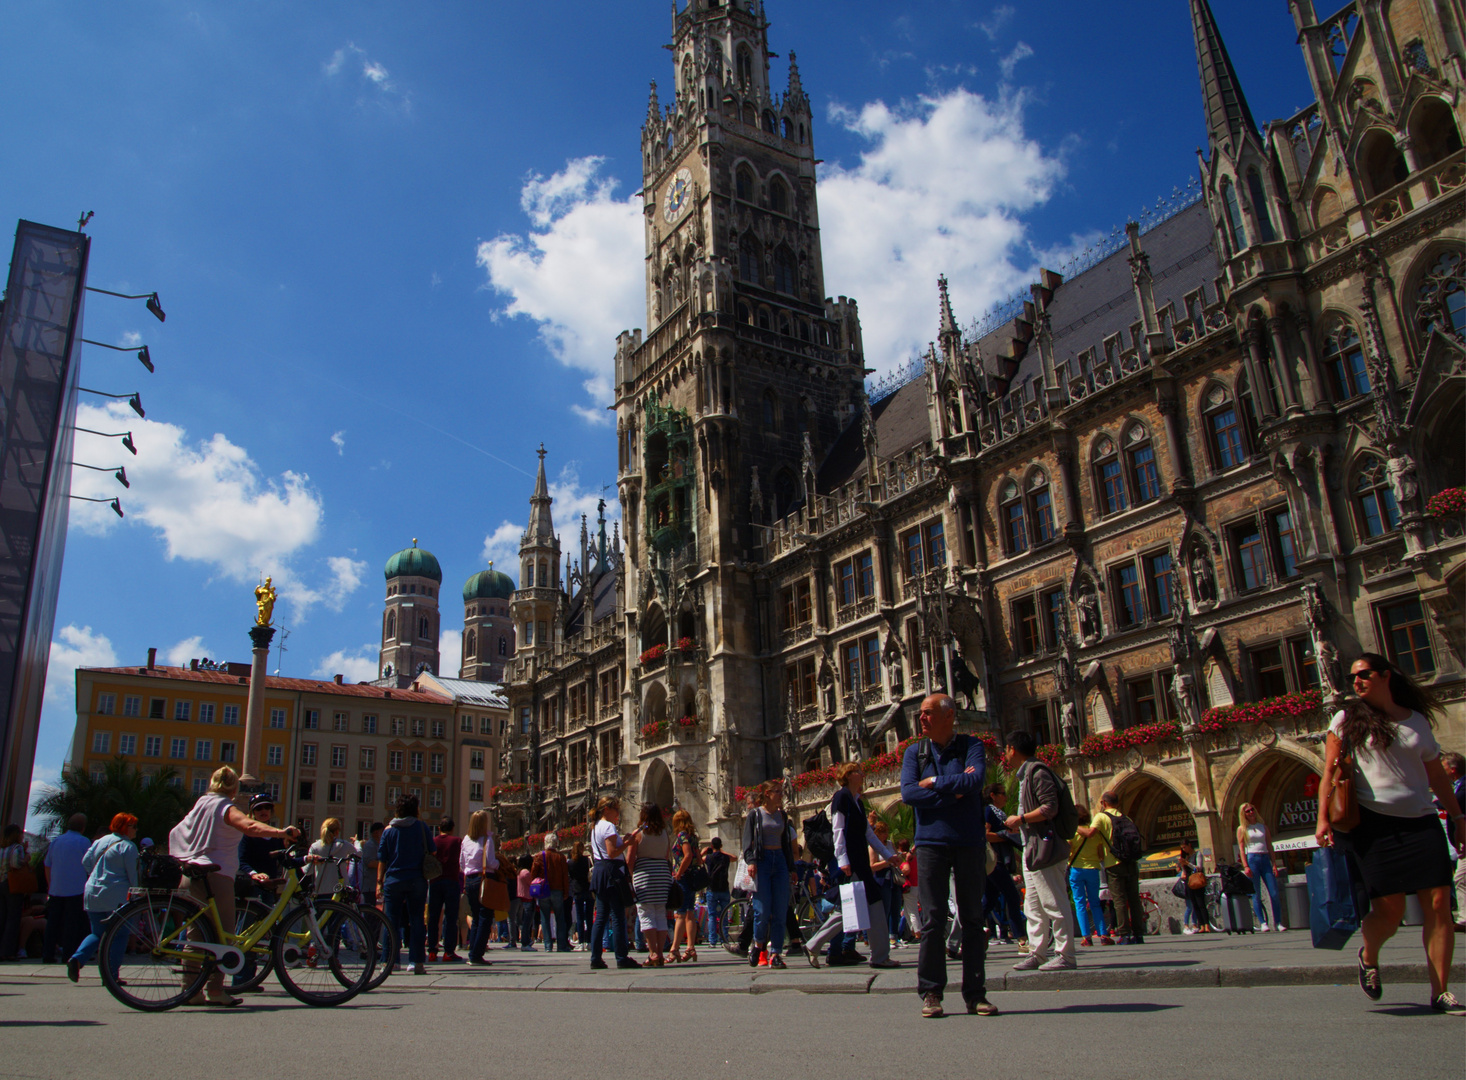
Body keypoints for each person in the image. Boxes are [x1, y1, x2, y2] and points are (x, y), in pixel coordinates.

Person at [1315, 652, 1466, 1014]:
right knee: (1389, 912)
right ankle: (1369, 955)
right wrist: (1322, 820)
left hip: (1422, 821)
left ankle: (1441, 991)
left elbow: (1436, 776)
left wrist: (1458, 817)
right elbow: (1329, 772)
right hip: (1375, 825)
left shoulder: (1416, 722)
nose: (1357, 681)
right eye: (1354, 677)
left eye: (1364, 674)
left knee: (1439, 906)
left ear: (1385, 676)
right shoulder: (1347, 718)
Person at [900, 693, 996, 1019]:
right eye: (921, 714)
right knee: (933, 920)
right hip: (930, 843)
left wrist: (937, 782)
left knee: (972, 918)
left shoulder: (972, 746)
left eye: (927, 713)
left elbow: (976, 780)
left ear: (948, 716)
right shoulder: (915, 752)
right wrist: (954, 794)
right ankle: (931, 992)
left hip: (968, 840)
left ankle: (975, 994)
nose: (921, 718)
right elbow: (909, 793)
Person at [168, 766, 298, 1004]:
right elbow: (249, 826)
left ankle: (191, 990)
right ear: (235, 788)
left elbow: (176, 831)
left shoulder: (200, 805)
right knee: (224, 935)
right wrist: (282, 832)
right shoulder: (223, 807)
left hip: (190, 872)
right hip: (215, 875)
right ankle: (215, 990)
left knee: (196, 935)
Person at [807, 763, 902, 970]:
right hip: (852, 862)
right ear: (849, 776)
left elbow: (869, 833)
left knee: (860, 907)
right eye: (858, 771)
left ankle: (878, 955)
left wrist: (889, 855)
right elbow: (838, 830)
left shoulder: (857, 802)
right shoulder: (841, 797)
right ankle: (878, 956)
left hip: (860, 862)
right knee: (853, 908)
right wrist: (842, 861)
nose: (863, 773)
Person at [1003, 731, 1076, 973]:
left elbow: (1050, 808)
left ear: (1013, 749)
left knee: (1053, 901)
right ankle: (1037, 952)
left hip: (1045, 846)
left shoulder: (1038, 771)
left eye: (1006, 749)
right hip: (1032, 846)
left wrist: (1020, 819)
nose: (1005, 753)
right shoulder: (1025, 774)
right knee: (1033, 905)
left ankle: (1065, 953)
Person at [65, 813, 139, 982]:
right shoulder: (128, 847)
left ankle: (77, 958)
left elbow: (86, 861)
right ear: (126, 828)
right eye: (134, 826)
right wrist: (137, 892)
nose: (136, 830)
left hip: (93, 892)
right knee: (119, 935)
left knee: (97, 933)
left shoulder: (100, 841)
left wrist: (96, 875)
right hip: (116, 895)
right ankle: (111, 974)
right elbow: (133, 874)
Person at [741, 779, 797, 970]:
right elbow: (747, 841)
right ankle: (758, 945)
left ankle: (776, 954)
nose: (782, 795)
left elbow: (787, 843)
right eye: (778, 792)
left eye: (781, 791)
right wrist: (751, 861)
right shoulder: (755, 815)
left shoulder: (783, 815)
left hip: (780, 860)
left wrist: (792, 868)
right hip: (762, 862)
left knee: (780, 910)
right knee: (762, 910)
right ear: (767, 794)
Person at [377, 793, 433, 975]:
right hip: (417, 879)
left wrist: (379, 882)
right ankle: (416, 961)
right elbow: (432, 851)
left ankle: (389, 961)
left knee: (391, 920)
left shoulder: (388, 830)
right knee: (416, 920)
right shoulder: (422, 827)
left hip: (393, 879)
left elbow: (382, 859)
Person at [588, 797, 640, 970]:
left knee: (601, 917)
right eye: (616, 809)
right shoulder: (608, 826)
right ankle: (621, 957)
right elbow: (612, 852)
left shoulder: (595, 826)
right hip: (611, 873)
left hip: (600, 871)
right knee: (618, 916)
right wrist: (628, 842)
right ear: (606, 810)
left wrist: (622, 840)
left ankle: (595, 958)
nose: (618, 813)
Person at [1090, 790, 1145, 944]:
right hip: (1131, 863)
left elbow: (1090, 833)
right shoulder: (1126, 817)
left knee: (1119, 900)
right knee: (1134, 899)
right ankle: (1139, 934)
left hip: (1114, 864)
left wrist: (1076, 828)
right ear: (1118, 803)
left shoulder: (1101, 817)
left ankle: (1125, 934)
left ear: (1104, 803)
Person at [628, 804, 673, 966]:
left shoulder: (639, 834)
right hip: (662, 875)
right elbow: (667, 855)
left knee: (646, 914)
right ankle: (660, 953)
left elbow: (630, 860)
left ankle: (652, 953)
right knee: (660, 913)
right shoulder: (664, 833)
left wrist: (633, 877)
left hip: (644, 876)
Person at [42, 814, 90, 964]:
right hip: (76, 889)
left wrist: (50, 884)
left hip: (56, 889)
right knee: (72, 924)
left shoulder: (57, 841)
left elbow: (47, 864)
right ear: (83, 827)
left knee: (52, 923)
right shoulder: (83, 842)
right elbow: (90, 865)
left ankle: (47, 954)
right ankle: (68, 954)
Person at [982, 784, 1026, 946]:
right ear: (993, 795)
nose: (1006, 797)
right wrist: (1006, 836)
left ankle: (968, 930)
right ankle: (1021, 937)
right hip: (994, 861)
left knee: (990, 899)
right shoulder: (989, 811)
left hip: (998, 860)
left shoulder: (999, 813)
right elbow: (985, 834)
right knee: (1012, 895)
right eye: (1003, 793)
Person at [1236, 804, 1285, 931]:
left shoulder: (1263, 827)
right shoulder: (1242, 829)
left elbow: (1269, 845)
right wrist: (1245, 865)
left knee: (1274, 893)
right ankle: (1263, 922)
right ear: (1244, 814)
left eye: (1252, 809)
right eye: (1248, 811)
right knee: (1256, 893)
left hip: (1265, 858)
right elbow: (1241, 848)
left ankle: (1278, 922)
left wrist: (1274, 863)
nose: (1251, 812)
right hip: (1252, 858)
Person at [1067, 807, 1111, 947]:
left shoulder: (1073, 833)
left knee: (1080, 903)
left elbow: (1068, 851)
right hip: (1093, 869)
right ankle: (1103, 934)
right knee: (1095, 903)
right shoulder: (1095, 834)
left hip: (1076, 870)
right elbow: (1101, 854)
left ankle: (1086, 937)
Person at [460, 810, 497, 966]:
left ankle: (472, 951)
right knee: (485, 916)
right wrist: (499, 864)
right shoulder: (487, 839)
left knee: (476, 916)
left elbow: (461, 864)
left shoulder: (466, 839)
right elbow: (490, 862)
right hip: (484, 879)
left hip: (469, 880)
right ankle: (477, 953)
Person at [426, 818, 463, 962]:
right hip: (451, 880)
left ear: (440, 828)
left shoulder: (433, 841)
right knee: (451, 917)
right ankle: (448, 952)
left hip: (435, 881)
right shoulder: (456, 841)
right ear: (452, 828)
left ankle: (432, 951)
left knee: (433, 917)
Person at [669, 810, 701, 962]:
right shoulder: (694, 837)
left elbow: (687, 856)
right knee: (689, 913)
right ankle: (690, 948)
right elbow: (699, 859)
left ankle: (674, 949)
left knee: (680, 914)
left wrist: (679, 872)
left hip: (684, 877)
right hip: (693, 876)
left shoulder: (682, 836)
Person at [532, 832, 571, 952]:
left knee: (545, 918)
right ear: (556, 843)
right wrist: (566, 892)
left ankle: (548, 946)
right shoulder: (561, 857)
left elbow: (533, 873)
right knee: (560, 918)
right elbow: (565, 876)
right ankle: (561, 945)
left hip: (544, 891)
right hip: (558, 890)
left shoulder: (539, 856)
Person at [307, 818, 356, 899]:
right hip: (340, 889)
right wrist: (357, 842)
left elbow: (308, 871)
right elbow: (359, 853)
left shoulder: (315, 847)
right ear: (337, 832)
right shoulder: (344, 845)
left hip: (321, 890)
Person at [1444, 752, 1466, 932]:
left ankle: (1464, 919)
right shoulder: (1458, 786)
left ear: (1453, 770)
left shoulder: (1463, 787)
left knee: (1460, 878)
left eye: (1442, 768)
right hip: (1461, 842)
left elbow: (1455, 805)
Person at [0, 825, 26, 960]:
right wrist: (25, 860)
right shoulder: (17, 848)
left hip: (1, 883)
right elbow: (15, 864)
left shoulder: (2, 849)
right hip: (13, 884)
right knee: (13, 918)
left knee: (2, 917)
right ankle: (8, 951)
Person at [702, 837, 733, 945]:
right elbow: (735, 857)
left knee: (712, 915)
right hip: (724, 888)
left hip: (712, 889)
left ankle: (712, 940)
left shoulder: (709, 858)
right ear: (721, 845)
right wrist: (722, 851)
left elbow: (698, 861)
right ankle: (724, 938)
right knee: (724, 915)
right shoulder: (725, 858)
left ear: (711, 846)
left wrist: (703, 852)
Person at [1177, 841, 1210, 934]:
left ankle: (1206, 924)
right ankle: (1201, 925)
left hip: (1197, 880)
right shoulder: (1186, 857)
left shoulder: (1197, 854)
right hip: (1189, 881)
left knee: (1201, 904)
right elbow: (1185, 871)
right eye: (1182, 848)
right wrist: (1183, 865)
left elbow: (1198, 868)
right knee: (1194, 904)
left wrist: (1187, 863)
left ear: (1189, 845)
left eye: (1184, 847)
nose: (1184, 849)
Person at [359, 822, 383, 907]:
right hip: (370, 886)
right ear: (376, 832)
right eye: (382, 831)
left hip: (375, 885)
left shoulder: (378, 845)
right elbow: (369, 863)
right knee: (370, 912)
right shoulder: (370, 845)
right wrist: (384, 864)